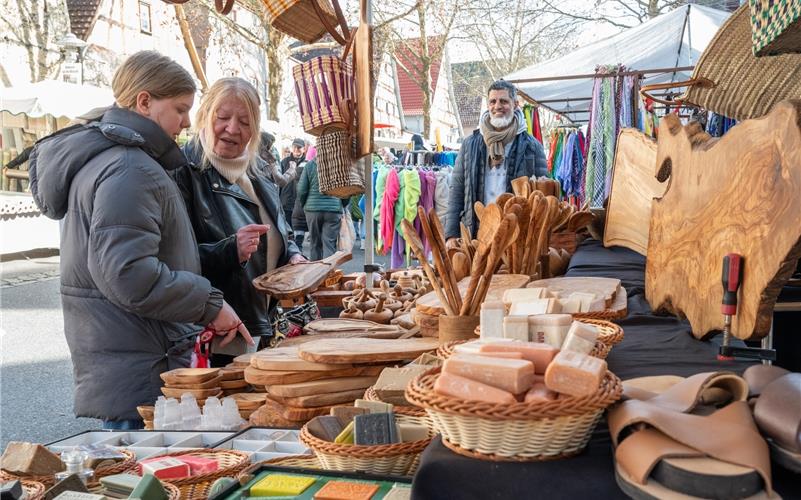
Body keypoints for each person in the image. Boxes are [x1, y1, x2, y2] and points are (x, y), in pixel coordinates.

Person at [27, 51, 252, 428]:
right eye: (180, 109)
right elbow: (129, 275)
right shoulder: (129, 167)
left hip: (131, 354)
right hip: (142, 362)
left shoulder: (119, 161)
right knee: (149, 479)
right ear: (144, 102)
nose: (185, 122)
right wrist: (209, 304)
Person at [175, 78, 306, 366]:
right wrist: (230, 249)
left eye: (245, 122)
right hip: (216, 328)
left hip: (263, 320)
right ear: (204, 116)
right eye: (222, 118)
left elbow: (281, 230)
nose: (232, 129)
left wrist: (294, 256)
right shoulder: (183, 172)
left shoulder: (258, 170)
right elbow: (172, 260)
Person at [445, 80, 547, 244]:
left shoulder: (532, 147)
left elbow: (543, 195)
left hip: (515, 236)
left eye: (503, 101)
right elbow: (456, 191)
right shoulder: (470, 144)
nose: (497, 106)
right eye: (493, 101)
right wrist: (451, 234)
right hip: (476, 234)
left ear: (515, 104)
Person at [297, 146, 344, 260]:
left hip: (312, 210)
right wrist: (343, 204)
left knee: (314, 243)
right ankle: (330, 274)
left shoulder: (310, 165)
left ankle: (316, 274)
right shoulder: (339, 166)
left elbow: (301, 190)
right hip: (333, 209)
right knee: (329, 243)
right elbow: (346, 189)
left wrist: (305, 205)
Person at [279, 138, 307, 248]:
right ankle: (289, 250)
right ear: (292, 148)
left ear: (304, 149)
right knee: (287, 229)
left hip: (300, 203)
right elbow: (279, 182)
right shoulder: (284, 162)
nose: (297, 149)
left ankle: (298, 248)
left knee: (299, 228)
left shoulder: (307, 164)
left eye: (299, 147)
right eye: (295, 147)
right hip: (286, 200)